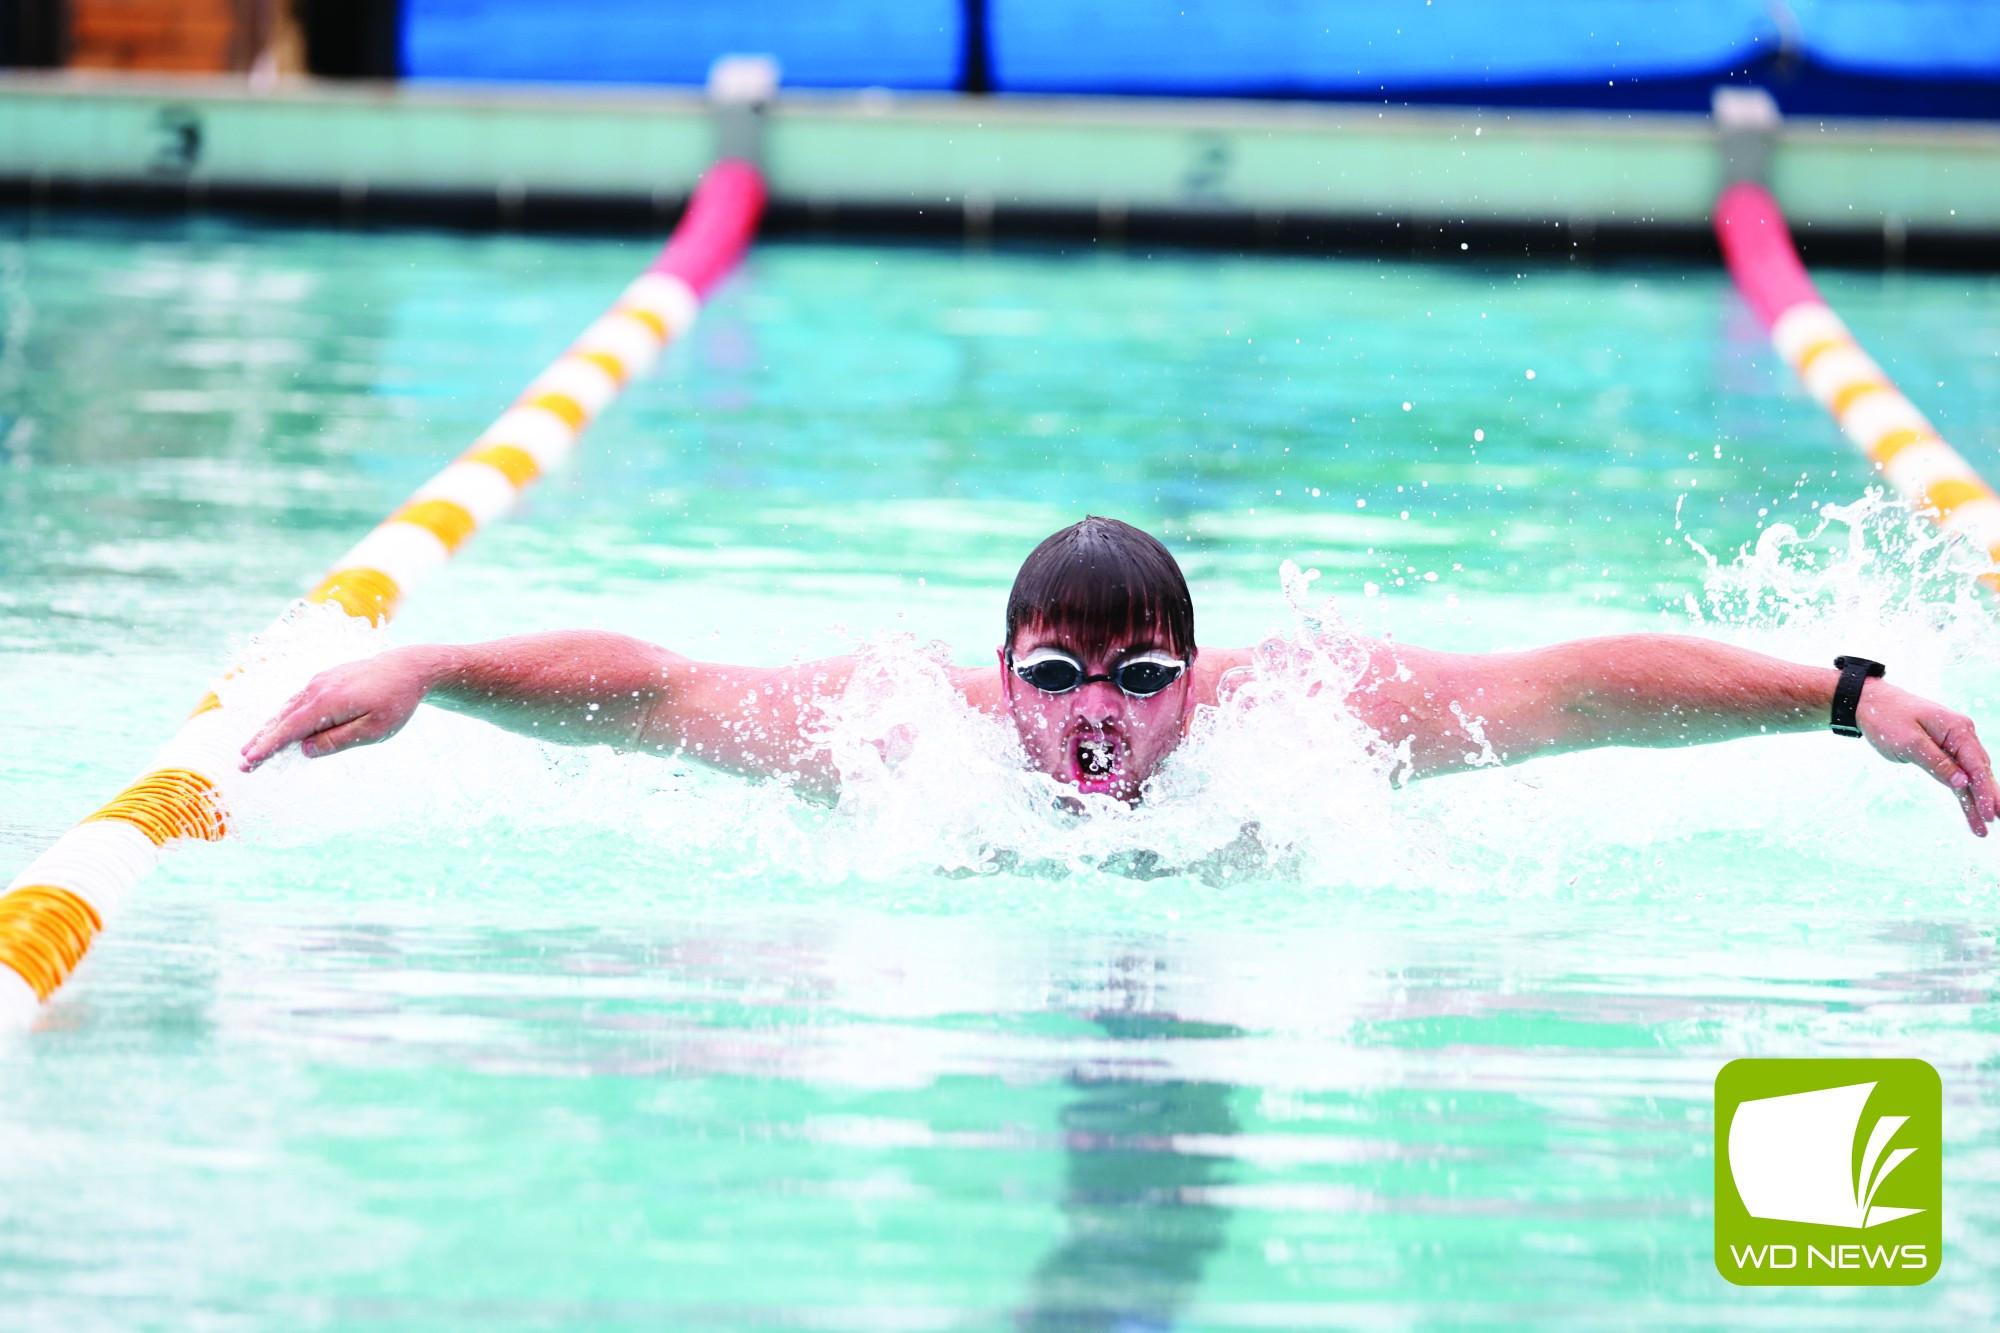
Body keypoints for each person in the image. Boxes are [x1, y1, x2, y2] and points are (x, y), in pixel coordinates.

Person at [241, 516, 1999, 837]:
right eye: (1063, 676)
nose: (1101, 716)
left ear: (1198, 673)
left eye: (1144, 674)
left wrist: (1844, 695)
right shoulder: (904, 731)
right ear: (1001, 675)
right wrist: (432, 662)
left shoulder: (1297, 726)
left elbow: (1569, 689)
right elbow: (659, 690)